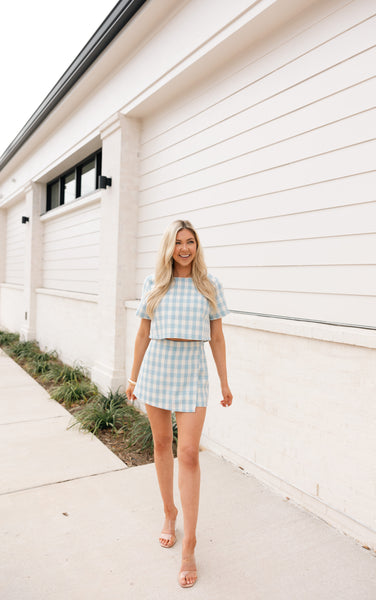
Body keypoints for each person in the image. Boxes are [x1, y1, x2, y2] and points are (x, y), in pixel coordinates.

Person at [126, 219, 233, 588]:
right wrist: (133, 377)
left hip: (192, 371)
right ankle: (169, 513)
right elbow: (142, 332)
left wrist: (224, 381)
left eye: (190, 242)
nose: (185, 248)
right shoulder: (154, 284)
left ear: (197, 246)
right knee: (160, 445)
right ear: (168, 247)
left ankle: (190, 543)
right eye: (178, 242)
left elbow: (217, 338)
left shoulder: (210, 285)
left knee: (188, 453)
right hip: (157, 368)